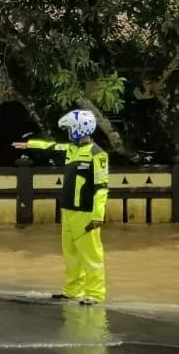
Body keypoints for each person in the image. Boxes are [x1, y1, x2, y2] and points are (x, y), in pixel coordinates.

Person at [13, 109, 109, 304]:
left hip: (86, 212)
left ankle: (95, 294)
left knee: (91, 255)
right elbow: (51, 147)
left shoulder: (97, 154)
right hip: (68, 210)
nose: (68, 132)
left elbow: (101, 188)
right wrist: (30, 144)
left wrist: (98, 216)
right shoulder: (71, 150)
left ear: (80, 129)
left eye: (70, 129)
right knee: (71, 254)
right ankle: (73, 291)